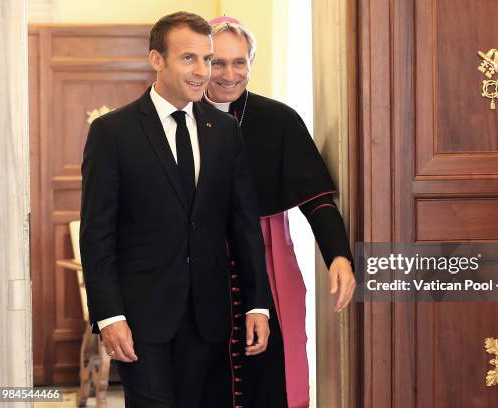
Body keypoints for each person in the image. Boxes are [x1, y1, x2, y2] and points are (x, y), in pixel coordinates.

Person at [79, 11, 271, 407]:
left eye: (207, 58)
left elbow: (243, 225)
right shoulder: (113, 132)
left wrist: (257, 303)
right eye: (189, 58)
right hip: (140, 318)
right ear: (157, 60)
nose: (203, 71)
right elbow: (97, 235)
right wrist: (109, 316)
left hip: (208, 315)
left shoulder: (224, 132)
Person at [205, 16, 356, 408]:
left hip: (265, 254)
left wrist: (337, 255)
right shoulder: (178, 118)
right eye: (218, 62)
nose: (229, 74)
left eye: (240, 62)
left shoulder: (278, 119)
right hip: (199, 260)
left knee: (272, 367)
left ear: (251, 64)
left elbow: (316, 198)